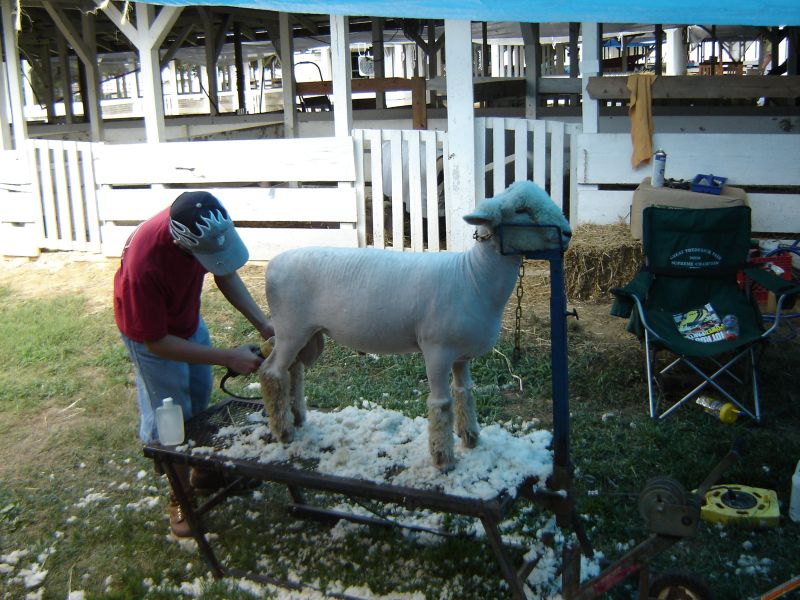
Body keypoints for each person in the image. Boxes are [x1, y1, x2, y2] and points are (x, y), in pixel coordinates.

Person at [113, 190, 274, 537]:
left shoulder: (202, 227)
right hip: (150, 335)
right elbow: (157, 342)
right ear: (182, 244)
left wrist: (263, 324)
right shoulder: (145, 264)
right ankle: (179, 496)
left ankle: (201, 471)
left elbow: (225, 272)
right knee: (171, 415)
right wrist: (227, 357)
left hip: (185, 321)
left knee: (199, 400)